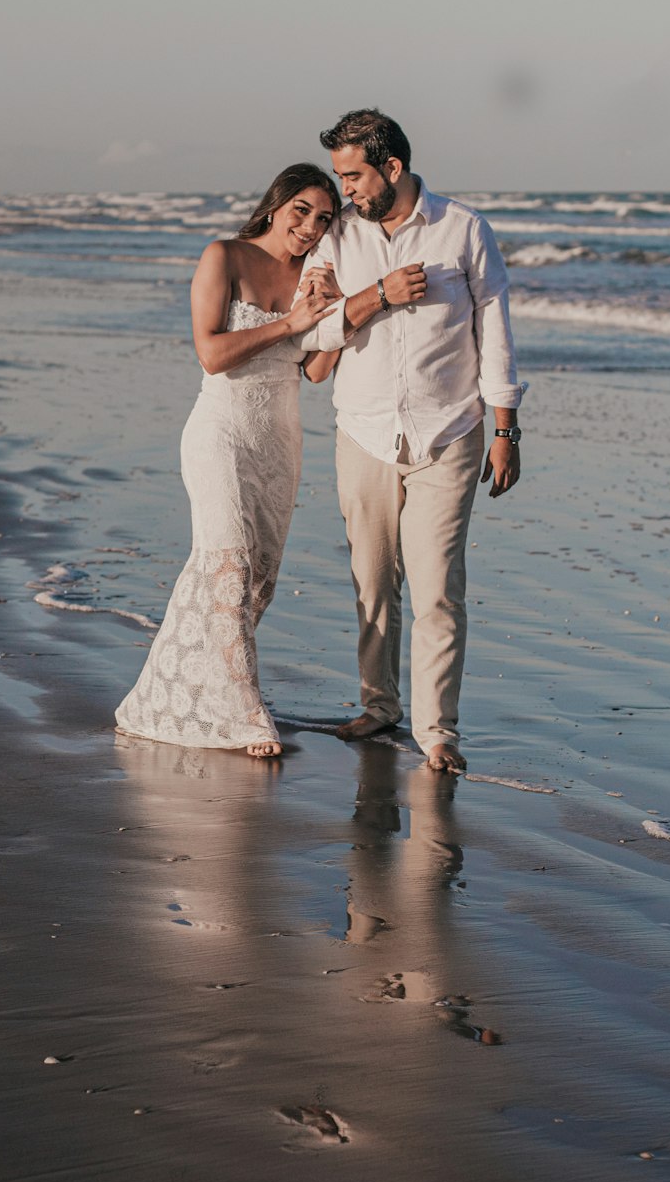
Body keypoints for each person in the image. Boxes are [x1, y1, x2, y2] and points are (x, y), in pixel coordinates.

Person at [300, 108, 525, 773]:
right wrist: (377, 295)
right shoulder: (338, 237)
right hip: (363, 431)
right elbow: (313, 334)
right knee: (371, 581)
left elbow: (497, 333)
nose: (346, 192)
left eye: (354, 177)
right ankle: (380, 706)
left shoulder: (463, 230)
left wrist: (506, 428)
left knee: (435, 590)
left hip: (448, 432)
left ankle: (437, 732)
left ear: (391, 167)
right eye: (341, 178)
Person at [115, 164, 341, 759]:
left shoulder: (313, 276)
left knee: (256, 579)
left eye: (323, 219)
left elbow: (313, 371)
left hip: (280, 440)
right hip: (221, 430)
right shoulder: (225, 257)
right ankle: (246, 714)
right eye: (302, 210)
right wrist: (293, 322)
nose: (310, 227)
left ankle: (159, 700)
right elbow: (212, 353)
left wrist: (337, 318)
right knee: (229, 563)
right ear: (275, 204)